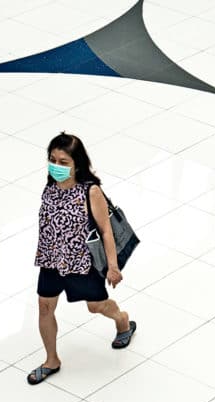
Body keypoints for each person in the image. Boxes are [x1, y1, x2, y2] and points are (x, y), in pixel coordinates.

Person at [28, 132, 136, 385]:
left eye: (64, 162)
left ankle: (122, 320)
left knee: (95, 306)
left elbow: (106, 230)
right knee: (45, 307)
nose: (56, 166)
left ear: (77, 164)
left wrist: (113, 266)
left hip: (82, 263)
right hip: (51, 260)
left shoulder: (91, 191)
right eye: (52, 160)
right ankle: (51, 360)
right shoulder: (50, 186)